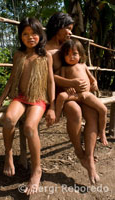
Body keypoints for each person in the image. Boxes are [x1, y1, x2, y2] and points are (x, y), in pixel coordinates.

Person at [0, 17, 55, 195]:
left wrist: (52, 107)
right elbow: (11, 80)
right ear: (20, 36)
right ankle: (8, 153)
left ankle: (36, 170)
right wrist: (0, 101)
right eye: (25, 34)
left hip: (38, 98)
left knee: (30, 127)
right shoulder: (19, 55)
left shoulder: (46, 56)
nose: (30, 37)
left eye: (34, 33)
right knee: (8, 120)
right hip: (21, 97)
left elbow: (51, 82)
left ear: (40, 35)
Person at [46, 12, 100, 184]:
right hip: (61, 94)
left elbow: (81, 66)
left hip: (78, 92)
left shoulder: (67, 47)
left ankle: (89, 158)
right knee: (75, 112)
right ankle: (79, 152)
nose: (70, 32)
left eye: (71, 29)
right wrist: (71, 83)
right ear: (57, 27)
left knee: (93, 115)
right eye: (68, 29)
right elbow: (49, 78)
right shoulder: (46, 50)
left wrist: (92, 80)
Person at [55, 39, 108, 145]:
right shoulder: (64, 68)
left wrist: (95, 83)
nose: (71, 57)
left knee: (103, 109)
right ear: (63, 56)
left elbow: (92, 79)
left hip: (87, 95)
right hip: (75, 95)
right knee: (61, 96)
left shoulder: (83, 65)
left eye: (74, 54)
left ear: (80, 54)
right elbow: (61, 82)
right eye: (67, 54)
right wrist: (67, 88)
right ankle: (56, 116)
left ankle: (102, 132)